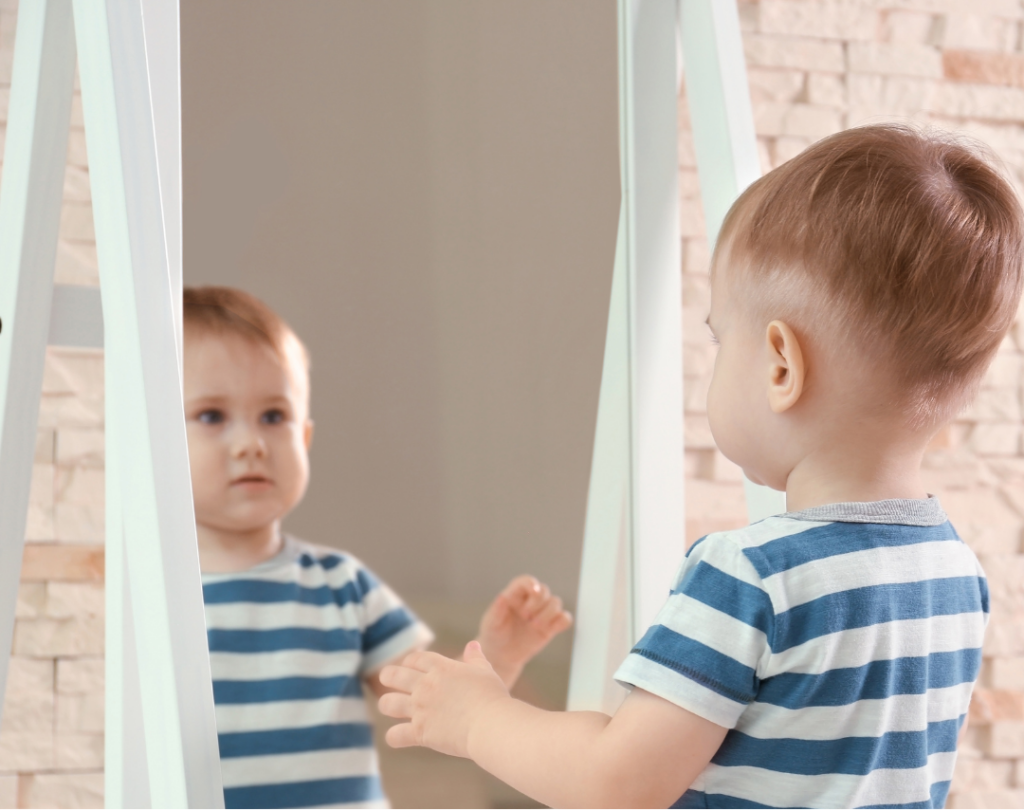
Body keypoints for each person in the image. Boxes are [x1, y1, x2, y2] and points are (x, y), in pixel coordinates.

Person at [376, 124, 1022, 808]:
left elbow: (616, 780)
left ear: (780, 364)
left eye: (720, 338)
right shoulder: (956, 575)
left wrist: (479, 720)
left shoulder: (750, 578)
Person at [183, 285, 573, 809]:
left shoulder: (340, 585)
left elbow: (425, 706)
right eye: (212, 416)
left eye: (274, 416)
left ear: (305, 439)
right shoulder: (154, 600)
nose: (251, 443)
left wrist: (496, 656)